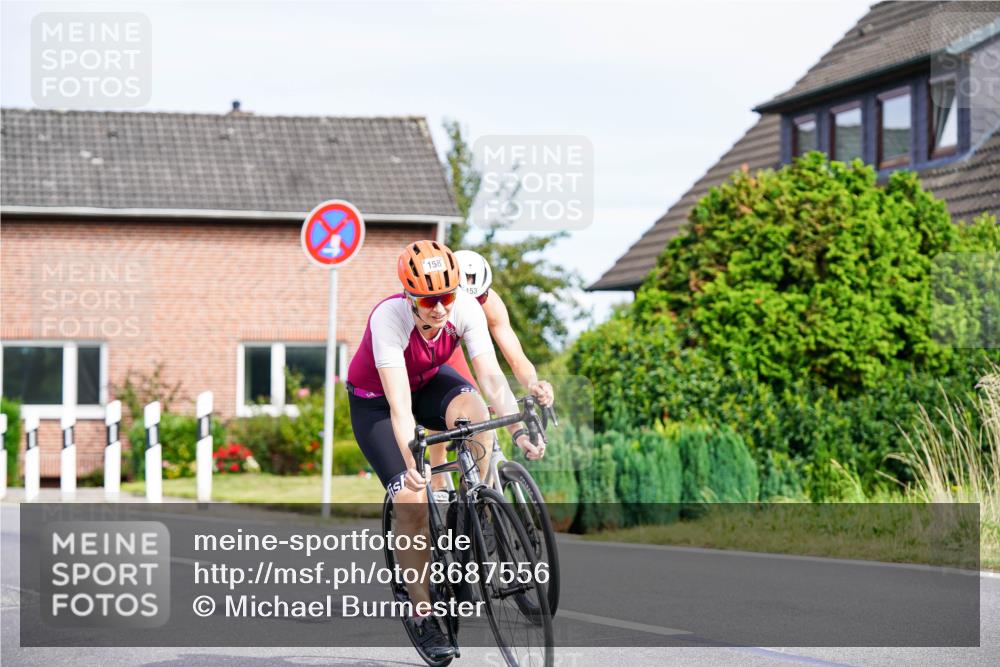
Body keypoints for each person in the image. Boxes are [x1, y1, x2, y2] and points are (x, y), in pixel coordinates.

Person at [345, 240, 545, 661]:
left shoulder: (464, 309)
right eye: (429, 299)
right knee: (412, 498)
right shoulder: (388, 319)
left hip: (428, 383)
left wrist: (516, 430)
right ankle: (422, 611)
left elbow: (491, 378)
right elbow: (400, 408)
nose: (440, 308)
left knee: (475, 413)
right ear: (409, 296)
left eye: (447, 296)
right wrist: (410, 461)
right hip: (377, 402)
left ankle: (476, 506)